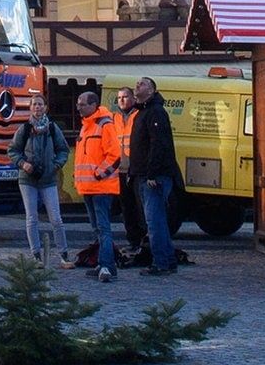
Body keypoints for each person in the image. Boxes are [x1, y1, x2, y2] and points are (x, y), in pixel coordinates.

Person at [8, 94, 72, 266]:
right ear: (30, 108)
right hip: (27, 179)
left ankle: (64, 254)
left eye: (40, 104)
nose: (37, 107)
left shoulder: (52, 128)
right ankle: (35, 254)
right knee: (32, 218)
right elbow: (12, 150)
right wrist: (22, 164)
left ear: (45, 107)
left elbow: (63, 150)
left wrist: (55, 165)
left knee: (56, 218)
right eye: (34, 104)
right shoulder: (25, 129)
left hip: (48, 178)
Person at [128, 75, 183, 275]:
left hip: (154, 177)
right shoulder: (143, 112)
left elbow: (159, 144)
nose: (137, 85)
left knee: (155, 222)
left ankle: (161, 263)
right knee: (156, 221)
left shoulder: (155, 112)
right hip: (143, 174)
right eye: (137, 83)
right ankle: (167, 260)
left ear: (151, 90)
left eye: (142, 83)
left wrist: (152, 172)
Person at [73, 91, 123, 283]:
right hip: (88, 187)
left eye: (82, 104)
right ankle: (103, 264)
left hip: (101, 187)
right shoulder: (87, 126)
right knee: (97, 229)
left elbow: (114, 155)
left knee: (103, 228)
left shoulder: (104, 125)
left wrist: (98, 174)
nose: (78, 107)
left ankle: (107, 266)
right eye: (78, 104)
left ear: (94, 105)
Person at [112, 84, 146, 254]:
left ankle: (144, 242)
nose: (122, 100)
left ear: (133, 99)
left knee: (141, 207)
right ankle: (133, 241)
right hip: (121, 170)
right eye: (119, 98)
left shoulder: (138, 115)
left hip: (136, 169)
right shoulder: (115, 118)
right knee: (127, 208)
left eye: (125, 97)